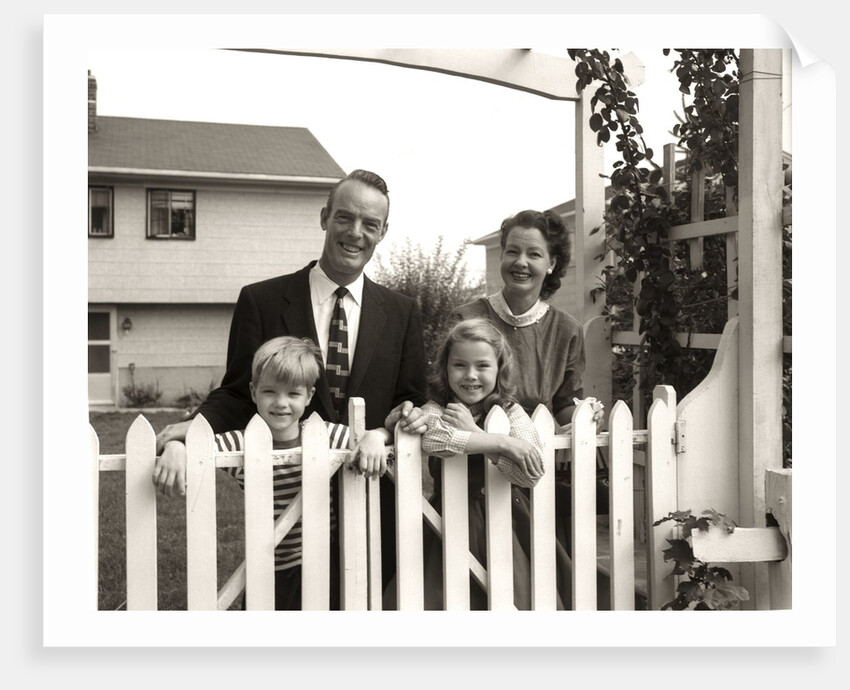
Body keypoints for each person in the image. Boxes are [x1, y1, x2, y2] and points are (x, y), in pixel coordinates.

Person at [154, 169, 429, 593]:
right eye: (344, 217)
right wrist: (194, 429)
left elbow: (410, 400)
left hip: (373, 499)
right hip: (291, 513)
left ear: (383, 232)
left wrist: (385, 429)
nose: (355, 233)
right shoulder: (261, 301)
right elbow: (237, 390)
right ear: (324, 217)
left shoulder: (403, 311)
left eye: (370, 224)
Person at [152, 336, 393, 609]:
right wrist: (175, 446)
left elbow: (371, 438)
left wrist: (374, 436)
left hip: (325, 562)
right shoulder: (239, 444)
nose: (281, 403)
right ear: (254, 392)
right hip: (269, 567)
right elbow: (195, 444)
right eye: (270, 392)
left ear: (309, 396)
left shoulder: (325, 435)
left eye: (293, 394)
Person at [449, 209, 605, 579]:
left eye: (534, 254)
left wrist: (584, 417)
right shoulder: (467, 317)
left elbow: (564, 402)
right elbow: (450, 394)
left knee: (545, 582)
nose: (521, 262)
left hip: (538, 473)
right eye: (512, 251)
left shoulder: (567, 329)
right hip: (474, 478)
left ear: (552, 264)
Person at [412, 318, 571, 610]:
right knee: (450, 594)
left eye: (482, 366)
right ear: (445, 367)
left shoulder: (510, 412)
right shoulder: (438, 409)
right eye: (459, 365)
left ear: (499, 368)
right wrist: (500, 443)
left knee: (514, 594)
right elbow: (434, 440)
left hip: (508, 518)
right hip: (451, 516)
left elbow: (529, 474)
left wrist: (475, 435)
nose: (470, 375)